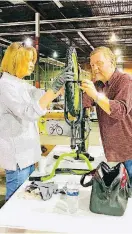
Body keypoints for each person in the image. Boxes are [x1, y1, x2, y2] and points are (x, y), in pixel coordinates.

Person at [0, 42, 73, 200]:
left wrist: (58, 88)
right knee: (15, 201)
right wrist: (53, 90)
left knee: (25, 197)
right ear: (15, 61)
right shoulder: (5, 86)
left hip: (27, 154)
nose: (32, 64)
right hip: (18, 157)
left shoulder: (20, 84)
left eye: (33, 60)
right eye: (29, 60)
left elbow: (38, 95)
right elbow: (29, 112)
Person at [81, 46, 132, 185]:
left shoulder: (125, 80)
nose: (95, 68)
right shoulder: (98, 85)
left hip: (129, 152)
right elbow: (82, 104)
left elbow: (120, 111)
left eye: (99, 63)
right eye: (92, 65)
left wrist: (96, 96)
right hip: (113, 152)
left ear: (112, 62)